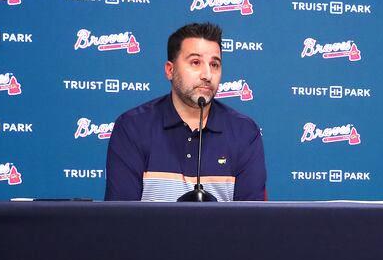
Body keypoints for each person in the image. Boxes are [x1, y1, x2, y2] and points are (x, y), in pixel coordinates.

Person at [105, 23, 266, 201]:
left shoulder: (244, 132)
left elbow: (252, 222)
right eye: (195, 62)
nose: (207, 74)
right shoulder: (133, 127)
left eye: (215, 64)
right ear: (170, 70)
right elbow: (120, 220)